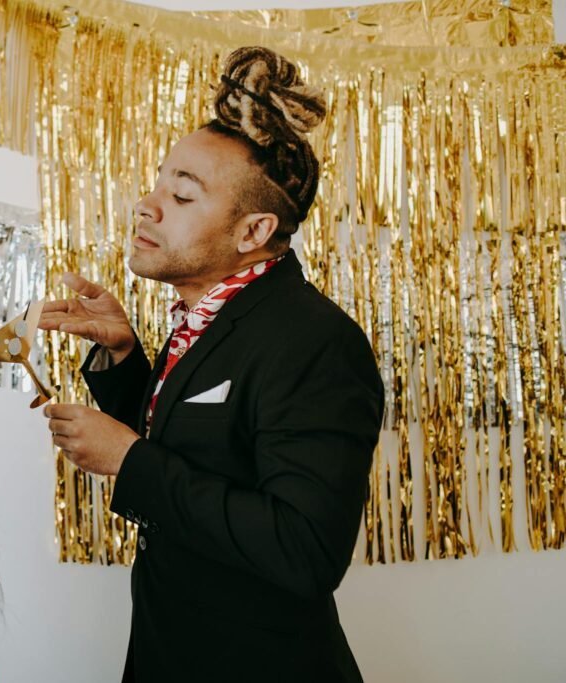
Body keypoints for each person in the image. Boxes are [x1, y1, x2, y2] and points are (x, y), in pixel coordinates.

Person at [40, 46, 384, 682]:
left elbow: (303, 550)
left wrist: (127, 461)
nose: (147, 205)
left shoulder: (316, 342)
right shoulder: (210, 315)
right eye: (157, 184)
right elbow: (204, 449)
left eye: (182, 194)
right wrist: (122, 357)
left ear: (252, 233)